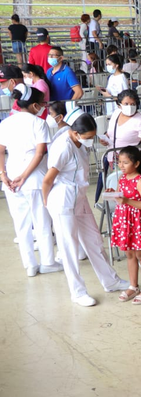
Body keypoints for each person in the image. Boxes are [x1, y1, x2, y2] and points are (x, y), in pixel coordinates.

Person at [42, 109, 129, 306]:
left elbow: (91, 138)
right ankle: (78, 292)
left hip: (79, 197)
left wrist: (99, 139)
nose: (91, 140)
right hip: (62, 200)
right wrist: (48, 205)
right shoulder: (63, 147)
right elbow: (47, 181)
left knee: (94, 240)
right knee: (70, 248)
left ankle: (111, 281)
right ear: (75, 132)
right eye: (88, 137)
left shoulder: (80, 139)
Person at [0, 84, 62, 277]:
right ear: (35, 105)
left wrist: (4, 175)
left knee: (21, 224)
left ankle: (30, 265)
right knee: (42, 221)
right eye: (42, 103)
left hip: (11, 177)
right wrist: (25, 176)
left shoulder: (6, 123)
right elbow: (39, 153)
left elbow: (1, 151)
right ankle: (48, 262)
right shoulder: (39, 123)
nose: (44, 106)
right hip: (34, 178)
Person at [107, 146, 141, 305]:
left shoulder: (140, 181)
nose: (121, 166)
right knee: (129, 254)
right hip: (124, 220)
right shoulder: (122, 178)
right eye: (119, 162)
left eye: (125, 162)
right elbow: (121, 196)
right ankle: (133, 285)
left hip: (137, 222)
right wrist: (113, 193)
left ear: (136, 164)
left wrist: (127, 201)